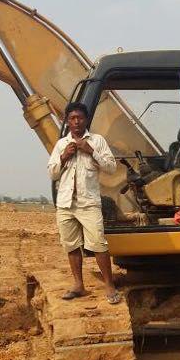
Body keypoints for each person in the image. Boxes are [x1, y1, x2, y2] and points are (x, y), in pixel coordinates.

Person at [46, 102, 122, 304]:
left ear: (86, 120)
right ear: (66, 121)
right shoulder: (61, 144)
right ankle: (78, 285)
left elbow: (111, 168)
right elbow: (52, 173)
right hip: (66, 204)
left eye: (80, 118)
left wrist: (91, 151)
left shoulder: (97, 141)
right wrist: (64, 157)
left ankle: (109, 285)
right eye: (72, 118)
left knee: (98, 244)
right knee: (71, 245)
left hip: (88, 203)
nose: (76, 121)